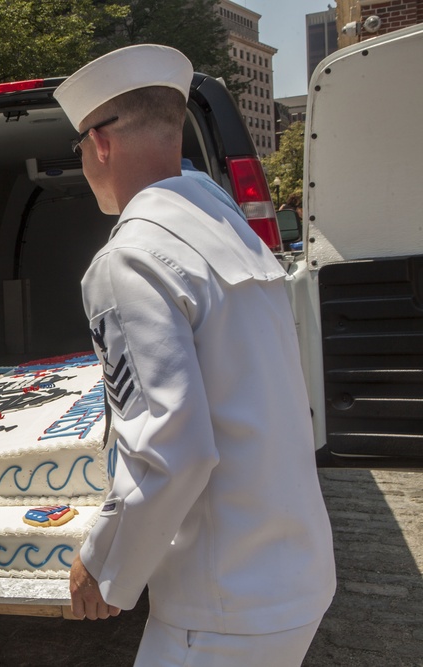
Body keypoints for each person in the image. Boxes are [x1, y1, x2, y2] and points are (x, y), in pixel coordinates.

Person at [54, 45, 336, 665]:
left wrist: (102, 564)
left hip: (221, 600)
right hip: (291, 570)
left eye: (78, 148)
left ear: (100, 143)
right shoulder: (229, 227)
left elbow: (170, 448)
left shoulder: (131, 257)